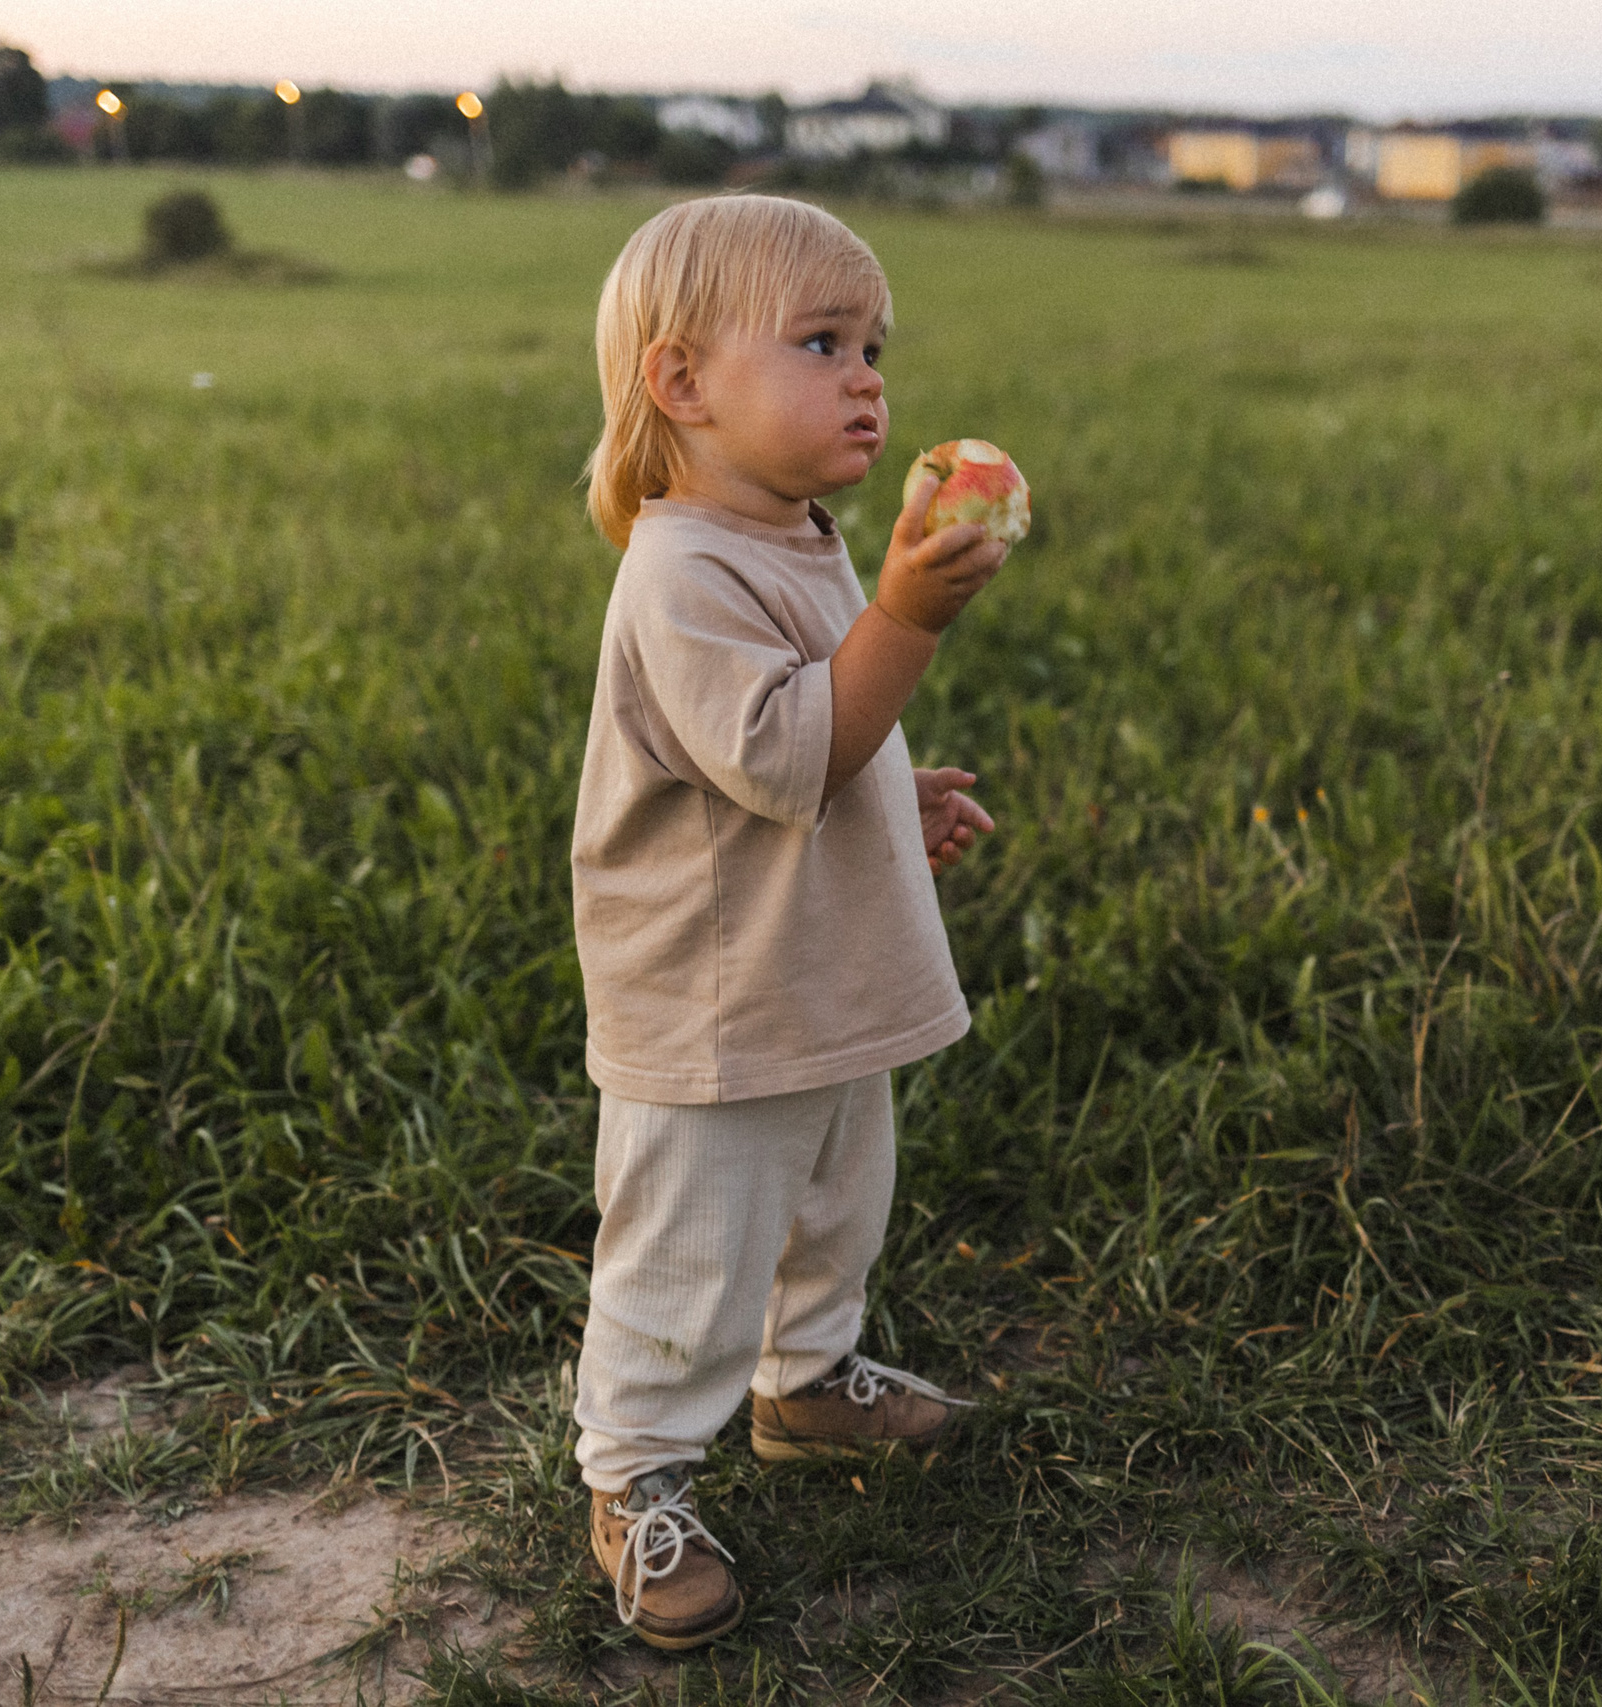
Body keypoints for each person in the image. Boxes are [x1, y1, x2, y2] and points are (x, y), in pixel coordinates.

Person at [567, 193, 1008, 1650]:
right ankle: (634, 1480)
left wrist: (893, 792)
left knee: (837, 1197)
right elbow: (775, 752)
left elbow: (825, 739)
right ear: (683, 385)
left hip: (811, 978)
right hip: (712, 1005)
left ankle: (806, 1382)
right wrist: (911, 626)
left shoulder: (800, 537)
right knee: (690, 1250)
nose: (870, 376)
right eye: (823, 342)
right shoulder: (681, 568)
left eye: (875, 343)